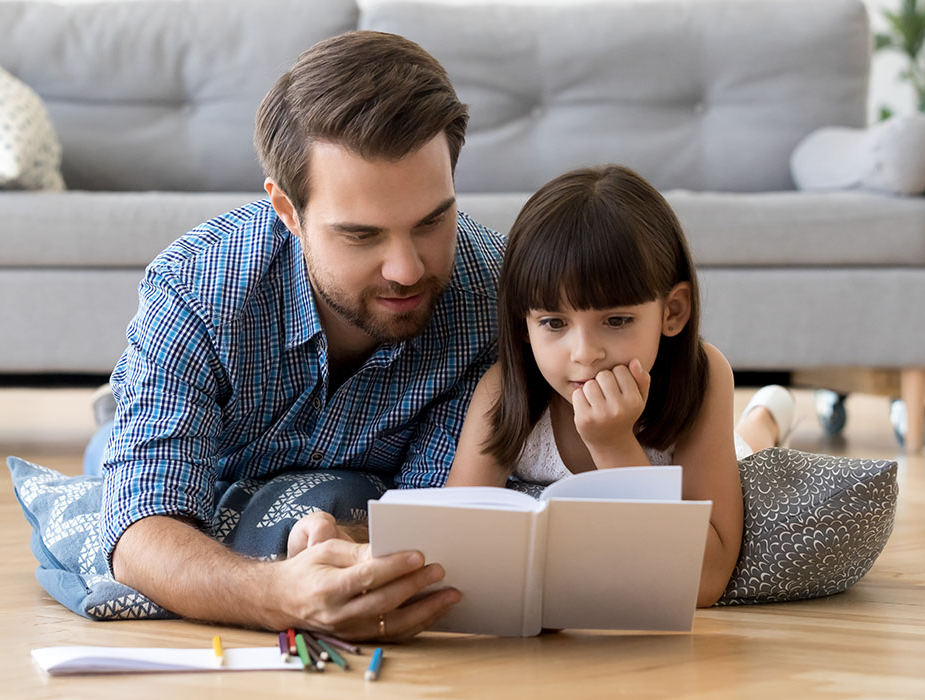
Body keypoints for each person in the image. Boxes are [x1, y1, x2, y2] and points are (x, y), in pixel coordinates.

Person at [96, 31, 506, 641]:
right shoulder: (198, 285)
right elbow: (140, 530)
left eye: (432, 221)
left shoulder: (494, 295)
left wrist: (347, 545)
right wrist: (279, 594)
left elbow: (446, 510)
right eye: (362, 236)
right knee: (107, 463)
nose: (408, 270)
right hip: (212, 453)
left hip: (361, 489)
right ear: (288, 212)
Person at [445, 165, 796, 607]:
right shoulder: (502, 392)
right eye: (554, 323)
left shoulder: (704, 376)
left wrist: (613, 445)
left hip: (720, 450)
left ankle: (768, 413)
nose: (584, 353)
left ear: (673, 312)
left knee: (748, 441)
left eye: (616, 321)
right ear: (523, 323)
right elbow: (453, 532)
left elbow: (706, 581)